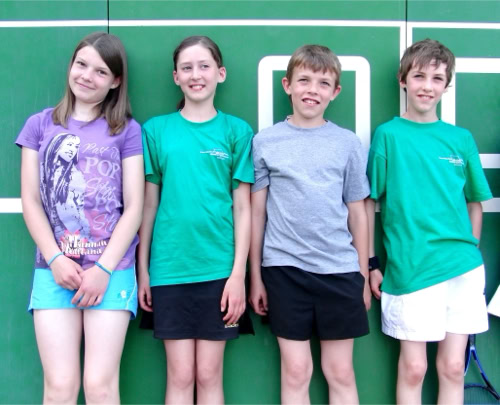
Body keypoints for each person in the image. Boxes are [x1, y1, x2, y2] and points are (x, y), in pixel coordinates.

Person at [16, 32, 144, 404]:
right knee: (59, 386)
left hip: (111, 269)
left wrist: (103, 269)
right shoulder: (40, 124)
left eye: (100, 71)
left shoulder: (127, 130)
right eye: (81, 64)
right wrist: (56, 259)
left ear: (115, 81)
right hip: (55, 270)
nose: (87, 76)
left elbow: (134, 206)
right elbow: (31, 200)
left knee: (100, 387)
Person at [366, 39, 492, 404]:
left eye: (437, 78)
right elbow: (370, 201)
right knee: (414, 368)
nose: (427, 86)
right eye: (419, 76)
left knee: (452, 367)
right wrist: (372, 263)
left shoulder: (460, 139)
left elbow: (475, 203)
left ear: (446, 85)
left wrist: (470, 249)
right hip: (411, 268)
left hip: (462, 268)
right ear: (403, 79)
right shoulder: (388, 135)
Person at [249, 44, 371, 404]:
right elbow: (257, 214)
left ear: (335, 91)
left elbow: (358, 213)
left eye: (323, 83)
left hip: (340, 270)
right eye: (303, 80)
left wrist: (362, 277)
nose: (312, 90)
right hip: (284, 270)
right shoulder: (265, 142)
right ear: (287, 85)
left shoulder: (347, 143)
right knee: (296, 371)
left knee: (340, 371)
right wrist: (256, 277)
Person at [138, 35, 253, 404]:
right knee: (181, 375)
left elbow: (243, 208)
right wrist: (143, 270)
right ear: (176, 77)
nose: (195, 74)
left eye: (204, 66)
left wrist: (238, 276)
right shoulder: (156, 130)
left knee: (208, 374)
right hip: (169, 268)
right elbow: (149, 205)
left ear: (221, 73)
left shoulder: (237, 131)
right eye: (186, 68)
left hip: (219, 270)